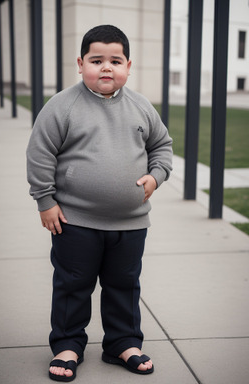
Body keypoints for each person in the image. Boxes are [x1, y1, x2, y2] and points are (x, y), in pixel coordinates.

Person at [27, 24, 172, 382]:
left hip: (130, 221)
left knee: (124, 283)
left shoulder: (140, 106)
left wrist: (156, 176)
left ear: (128, 66)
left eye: (115, 60)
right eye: (96, 60)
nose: (106, 67)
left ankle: (122, 342)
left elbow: (162, 147)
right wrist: (45, 201)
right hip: (74, 221)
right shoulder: (62, 105)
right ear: (80, 64)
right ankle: (67, 344)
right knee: (73, 283)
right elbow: (40, 154)